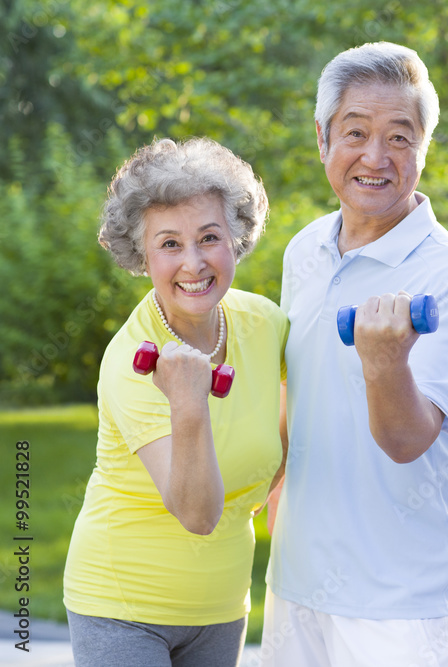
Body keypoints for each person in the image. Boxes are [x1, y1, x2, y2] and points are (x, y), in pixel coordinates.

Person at [262, 42, 448, 666]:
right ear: (322, 138)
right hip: (296, 577)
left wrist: (384, 363)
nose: (375, 156)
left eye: (399, 137)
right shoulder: (304, 248)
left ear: (424, 148)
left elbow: (406, 441)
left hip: (400, 597)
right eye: (355, 132)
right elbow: (301, 383)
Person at [63, 137, 287, 667]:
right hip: (122, 607)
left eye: (209, 237)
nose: (193, 263)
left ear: (236, 238)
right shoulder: (132, 361)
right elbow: (197, 513)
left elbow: (305, 416)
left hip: (222, 606)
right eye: (169, 244)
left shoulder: (265, 324)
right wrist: (189, 403)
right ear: (141, 255)